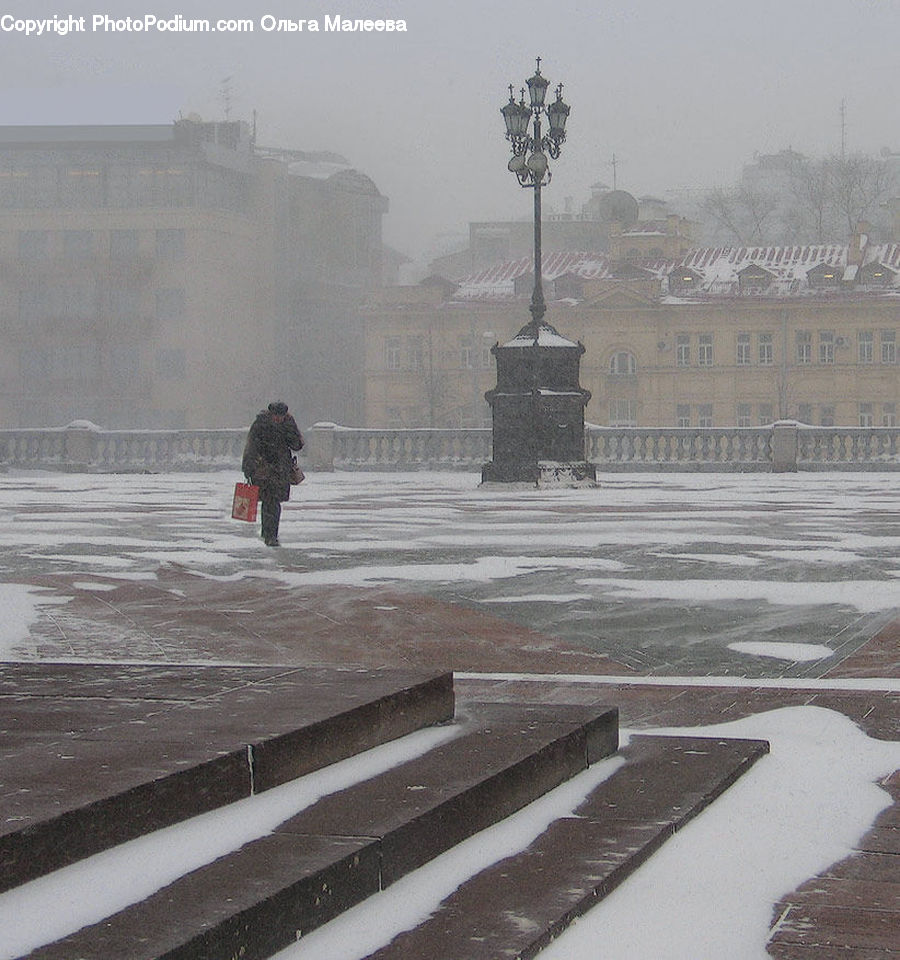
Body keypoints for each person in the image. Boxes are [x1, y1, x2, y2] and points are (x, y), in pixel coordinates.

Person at [241, 401, 304, 546]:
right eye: (276, 416)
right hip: (263, 469)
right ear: (271, 414)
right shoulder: (261, 424)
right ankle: (268, 533)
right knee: (268, 502)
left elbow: (297, 445)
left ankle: (271, 534)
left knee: (274, 503)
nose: (278, 419)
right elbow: (251, 446)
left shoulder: (288, 424)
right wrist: (248, 468)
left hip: (281, 470)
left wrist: (289, 431)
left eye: (280, 416)